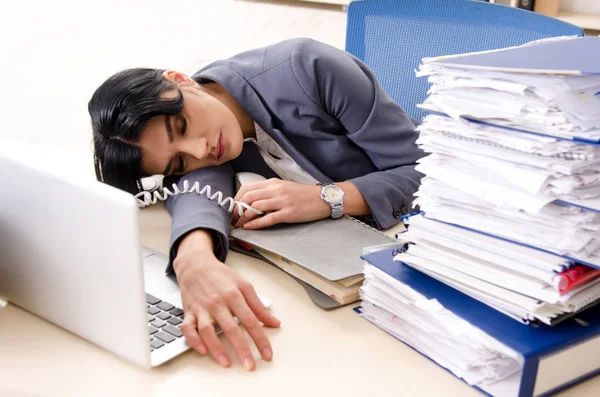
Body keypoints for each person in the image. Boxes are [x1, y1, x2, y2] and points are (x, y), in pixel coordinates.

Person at [88, 38, 424, 371]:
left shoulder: (310, 67)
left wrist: (327, 197)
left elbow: (428, 173)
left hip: (427, 248)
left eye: (182, 127)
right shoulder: (204, 142)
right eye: (177, 162)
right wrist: (193, 258)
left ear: (179, 80)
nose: (200, 150)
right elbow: (195, 188)